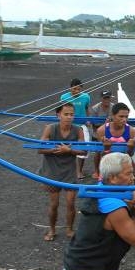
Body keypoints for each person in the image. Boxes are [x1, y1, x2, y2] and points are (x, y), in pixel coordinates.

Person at [37, 103, 83, 241]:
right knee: (54, 204)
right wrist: (55, 150)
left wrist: (69, 151)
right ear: (58, 115)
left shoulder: (78, 130)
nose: (69, 117)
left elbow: (84, 150)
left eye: (71, 114)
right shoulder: (50, 128)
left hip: (69, 171)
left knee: (70, 203)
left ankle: (69, 228)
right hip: (52, 170)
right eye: (66, 114)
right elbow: (39, 148)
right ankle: (52, 229)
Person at [61, 78, 92, 180]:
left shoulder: (86, 97)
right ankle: (66, 169)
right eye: (74, 89)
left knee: (84, 146)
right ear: (70, 88)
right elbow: (60, 111)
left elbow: (87, 108)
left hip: (81, 125)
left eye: (79, 89)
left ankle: (79, 171)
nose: (76, 92)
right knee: (65, 146)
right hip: (68, 124)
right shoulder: (64, 97)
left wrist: (88, 119)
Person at [88, 91, 113, 174]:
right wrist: (105, 125)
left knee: (110, 151)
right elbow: (93, 124)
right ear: (101, 98)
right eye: (104, 98)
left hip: (110, 133)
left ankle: (109, 171)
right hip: (97, 132)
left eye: (108, 98)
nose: (106, 100)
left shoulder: (113, 107)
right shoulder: (95, 108)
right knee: (97, 152)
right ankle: (96, 171)